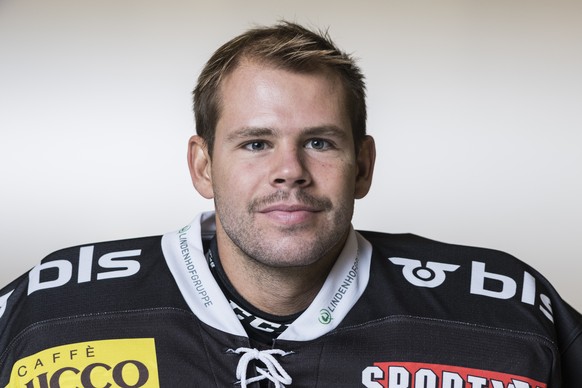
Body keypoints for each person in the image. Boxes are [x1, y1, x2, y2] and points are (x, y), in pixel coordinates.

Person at [0, 21, 580, 388]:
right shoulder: (51, 313)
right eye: (256, 143)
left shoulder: (508, 314)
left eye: (319, 142)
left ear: (364, 166)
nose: (290, 172)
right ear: (203, 166)